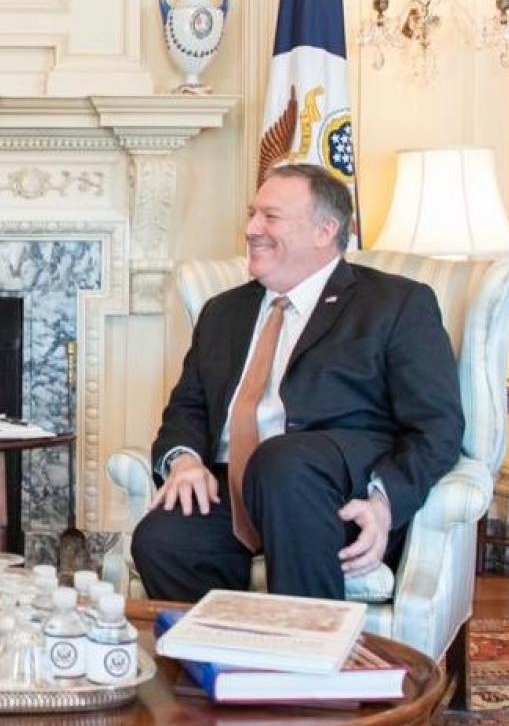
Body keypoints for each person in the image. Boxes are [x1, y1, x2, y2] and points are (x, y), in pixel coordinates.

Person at [130, 163, 463, 602]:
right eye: (252, 214)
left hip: (335, 495)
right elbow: (188, 408)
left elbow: (437, 425)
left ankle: (308, 644)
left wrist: (384, 502)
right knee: (163, 540)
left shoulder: (395, 303)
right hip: (236, 488)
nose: (251, 229)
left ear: (325, 230)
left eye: (270, 217)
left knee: (283, 461)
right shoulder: (222, 312)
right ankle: (223, 647)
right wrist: (185, 461)